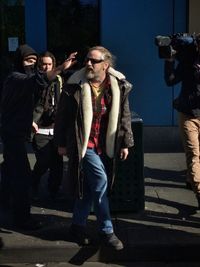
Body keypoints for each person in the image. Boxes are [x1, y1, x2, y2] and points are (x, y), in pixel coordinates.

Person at [54, 46, 134, 250]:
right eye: (87, 60)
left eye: (94, 61)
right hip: (83, 144)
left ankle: (77, 226)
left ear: (105, 65)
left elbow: (124, 116)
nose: (88, 63)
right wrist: (61, 143)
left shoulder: (118, 86)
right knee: (100, 182)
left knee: (88, 189)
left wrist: (125, 142)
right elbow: (62, 116)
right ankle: (107, 230)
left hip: (105, 144)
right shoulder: (75, 85)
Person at [0, 44, 76, 230]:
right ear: (19, 61)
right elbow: (39, 81)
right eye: (28, 60)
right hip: (12, 134)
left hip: (17, 131)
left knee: (9, 169)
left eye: (34, 61)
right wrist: (60, 68)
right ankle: (22, 219)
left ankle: (4, 200)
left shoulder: (25, 78)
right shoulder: (15, 77)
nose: (31, 64)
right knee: (22, 176)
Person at [164, 34, 200, 210]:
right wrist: (170, 60)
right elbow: (170, 81)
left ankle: (191, 181)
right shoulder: (188, 61)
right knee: (193, 155)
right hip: (189, 115)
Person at [31, 51, 64, 200]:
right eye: (43, 64)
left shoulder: (58, 80)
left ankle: (53, 191)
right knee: (44, 161)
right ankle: (33, 183)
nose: (46, 67)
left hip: (56, 128)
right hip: (39, 128)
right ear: (39, 65)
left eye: (49, 64)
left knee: (57, 163)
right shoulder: (34, 80)